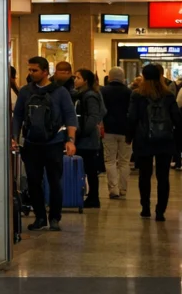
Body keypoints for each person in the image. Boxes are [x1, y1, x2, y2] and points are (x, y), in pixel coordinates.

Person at [10, 57, 77, 232]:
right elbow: (17, 115)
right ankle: (40, 217)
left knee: (55, 181)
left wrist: (70, 140)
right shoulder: (25, 91)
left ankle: (54, 217)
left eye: (35, 70)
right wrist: (14, 137)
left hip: (54, 143)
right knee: (33, 181)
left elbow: (70, 116)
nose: (31, 73)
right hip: (31, 143)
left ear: (46, 72)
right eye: (29, 70)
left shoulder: (60, 92)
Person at [127, 63, 182, 221]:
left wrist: (129, 137)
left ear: (143, 76)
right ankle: (160, 211)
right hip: (165, 140)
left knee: (144, 175)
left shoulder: (137, 95)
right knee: (163, 177)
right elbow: (177, 118)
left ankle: (145, 208)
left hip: (143, 140)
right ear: (160, 76)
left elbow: (132, 117)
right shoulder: (168, 95)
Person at [72, 69, 105, 209]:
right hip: (86, 138)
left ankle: (93, 197)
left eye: (78, 77)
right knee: (89, 169)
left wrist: (83, 132)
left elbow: (94, 115)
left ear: (85, 80)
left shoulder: (89, 96)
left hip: (88, 140)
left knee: (90, 170)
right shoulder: (82, 95)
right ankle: (91, 196)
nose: (75, 80)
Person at [101, 67, 132, 199]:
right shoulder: (129, 92)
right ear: (123, 77)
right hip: (126, 130)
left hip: (108, 129)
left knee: (110, 161)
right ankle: (123, 189)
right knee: (124, 162)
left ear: (109, 77)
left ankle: (113, 189)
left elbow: (101, 110)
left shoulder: (103, 91)